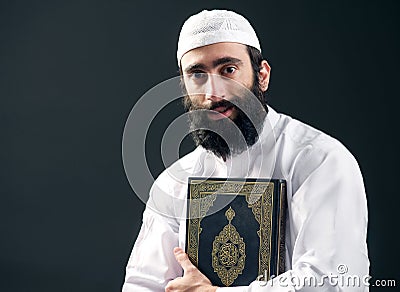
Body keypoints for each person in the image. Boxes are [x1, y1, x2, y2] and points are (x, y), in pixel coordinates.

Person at [122, 9, 369, 292]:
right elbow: (142, 284)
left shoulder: (318, 160)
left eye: (228, 69)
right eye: (198, 74)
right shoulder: (174, 182)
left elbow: (334, 280)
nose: (214, 92)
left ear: (261, 76)